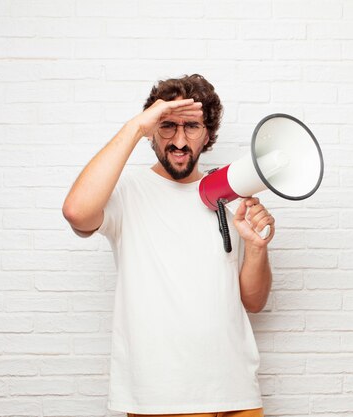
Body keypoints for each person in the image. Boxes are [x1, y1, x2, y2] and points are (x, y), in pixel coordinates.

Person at [62, 74, 274, 417]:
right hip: (162, 397)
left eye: (191, 127)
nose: (178, 140)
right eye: (166, 126)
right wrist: (136, 126)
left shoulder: (230, 192)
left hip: (237, 394)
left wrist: (257, 248)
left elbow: (254, 300)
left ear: (208, 134)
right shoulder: (127, 191)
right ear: (150, 132)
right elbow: (76, 212)